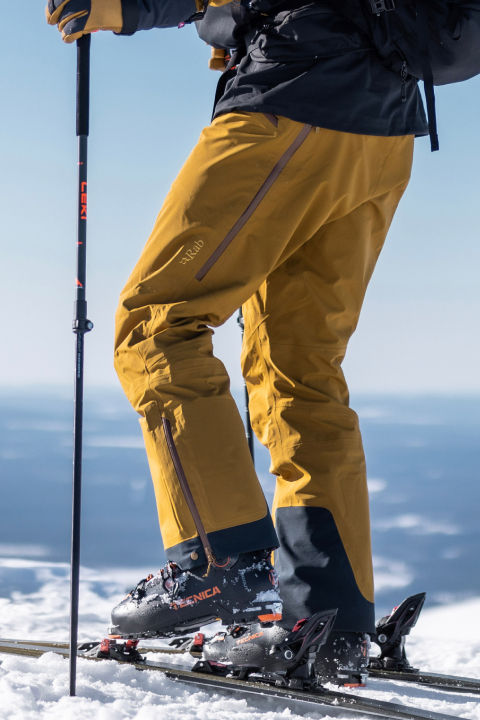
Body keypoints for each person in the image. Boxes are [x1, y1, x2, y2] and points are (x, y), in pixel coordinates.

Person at [46, 0, 427, 684]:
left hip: (291, 99)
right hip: (385, 130)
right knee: (300, 372)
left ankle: (219, 563)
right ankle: (332, 619)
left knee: (157, 324)